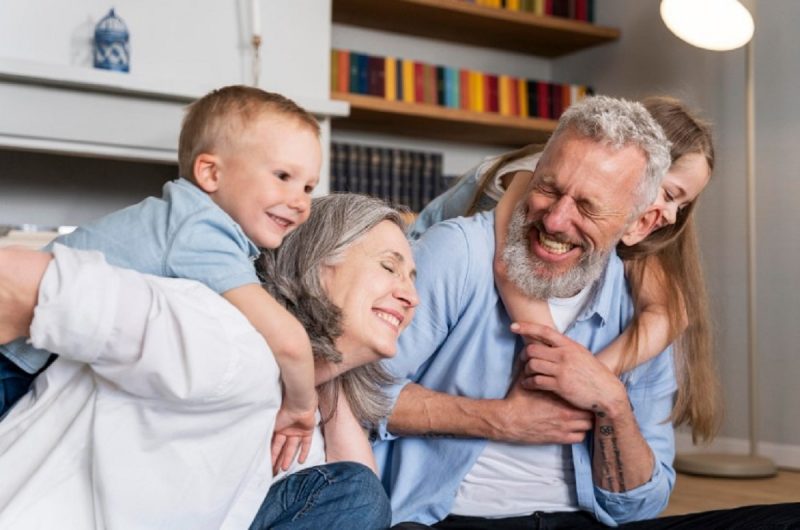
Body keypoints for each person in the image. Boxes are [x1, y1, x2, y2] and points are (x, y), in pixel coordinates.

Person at [0, 193, 418, 529]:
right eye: (389, 268)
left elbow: (361, 502)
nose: (410, 296)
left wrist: (329, 377)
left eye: (412, 280)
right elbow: (16, 278)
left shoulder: (301, 420)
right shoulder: (216, 331)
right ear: (317, 264)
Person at [0, 85, 321, 460]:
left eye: (309, 187)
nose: (300, 201)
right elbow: (288, 341)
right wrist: (301, 408)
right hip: (13, 359)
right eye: (283, 176)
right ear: (210, 173)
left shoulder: (186, 221)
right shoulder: (201, 230)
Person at [414, 96, 720, 443]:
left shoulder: (630, 226)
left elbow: (671, 312)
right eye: (668, 193)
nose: (670, 214)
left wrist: (593, 375)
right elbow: (508, 268)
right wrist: (556, 374)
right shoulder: (538, 174)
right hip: (412, 263)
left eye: (683, 205)